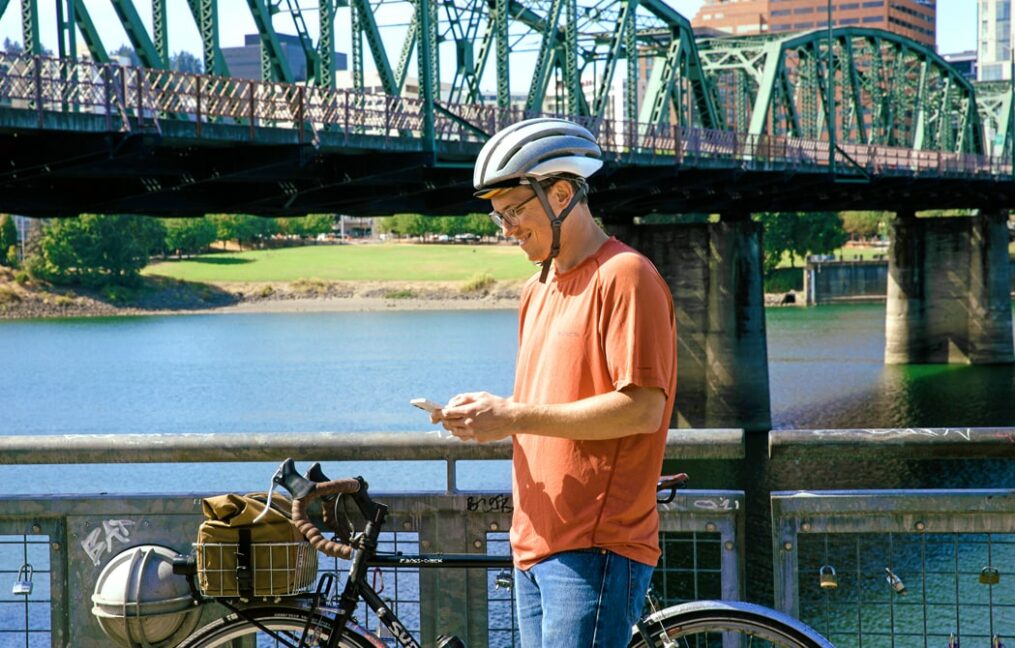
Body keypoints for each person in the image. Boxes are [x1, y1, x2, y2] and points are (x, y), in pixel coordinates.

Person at [432, 117, 677, 648]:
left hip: (595, 546)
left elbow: (641, 409)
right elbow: (550, 401)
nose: (507, 229)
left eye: (514, 211)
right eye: (498, 217)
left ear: (562, 193)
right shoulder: (535, 289)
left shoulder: (625, 276)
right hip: (533, 541)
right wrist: (489, 412)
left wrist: (515, 415)